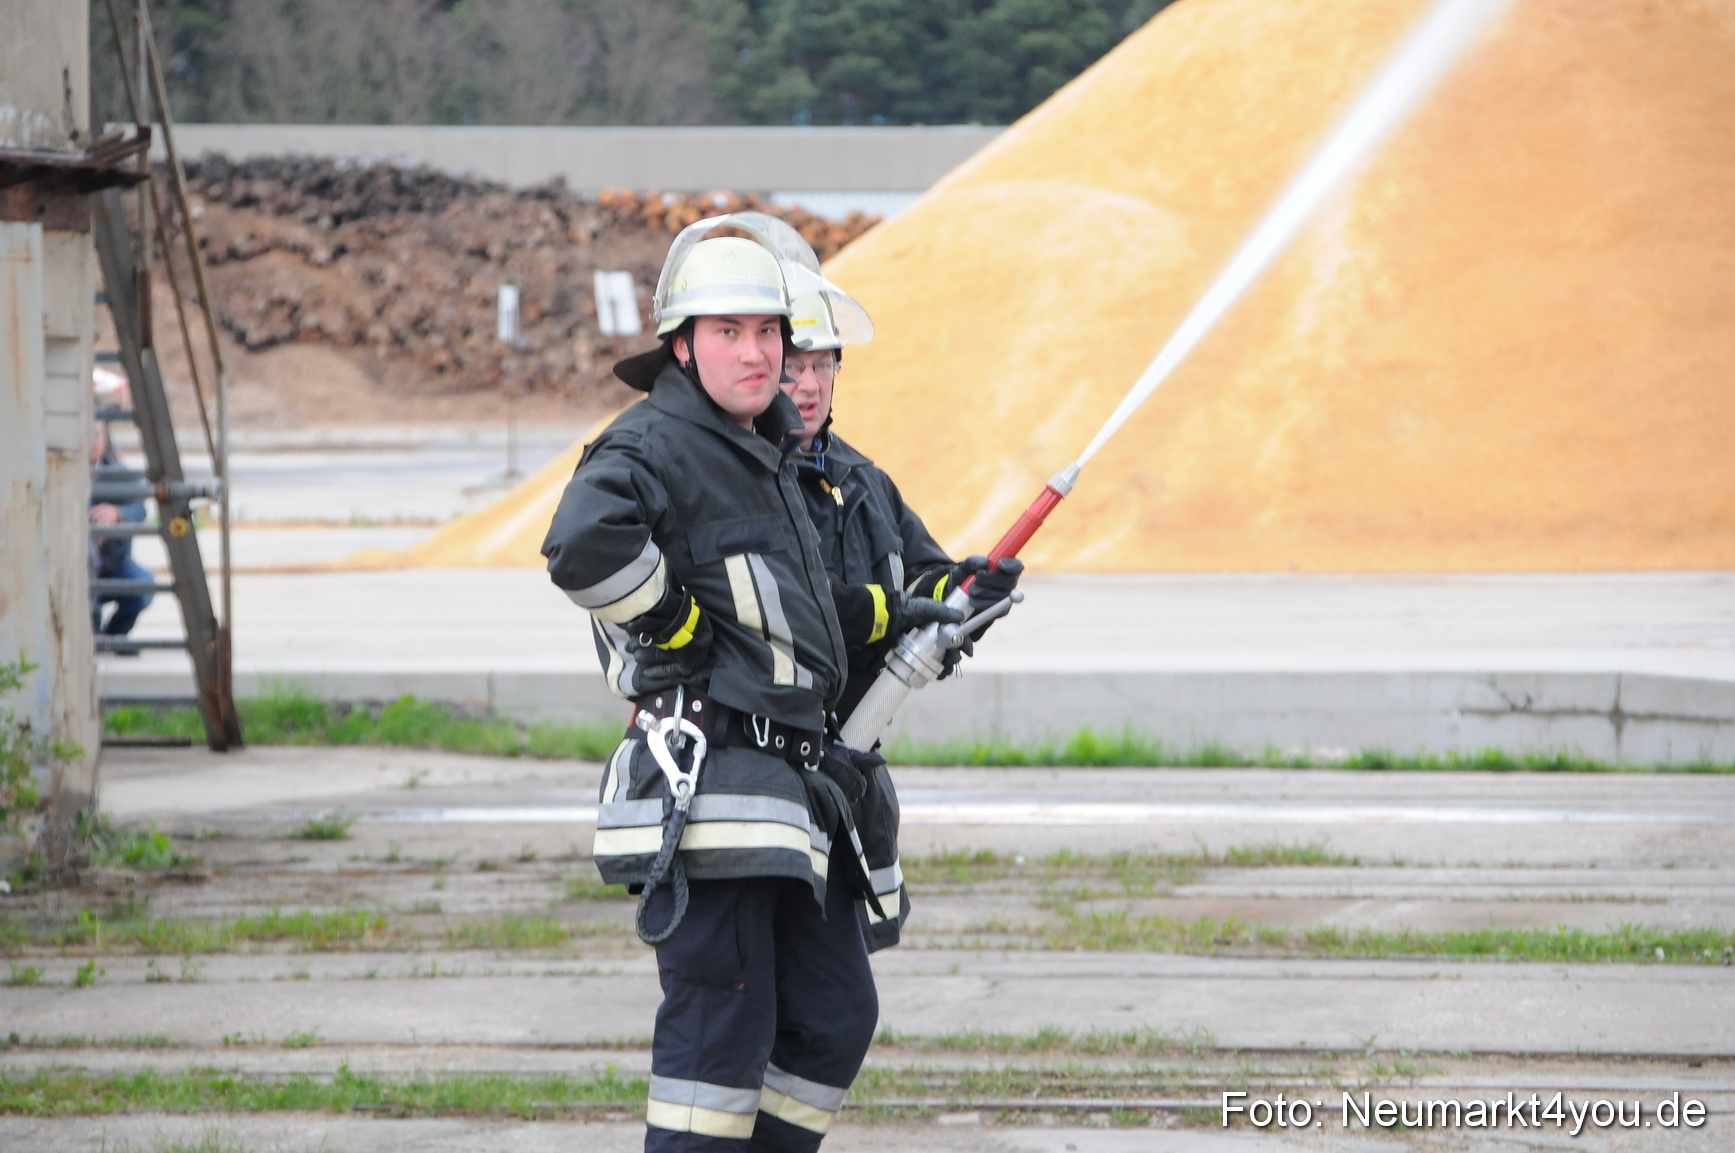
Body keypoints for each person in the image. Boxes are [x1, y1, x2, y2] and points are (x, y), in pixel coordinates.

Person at [542, 229, 878, 1151]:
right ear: (682, 346)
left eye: (770, 331)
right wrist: (673, 626)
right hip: (716, 795)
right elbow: (581, 542)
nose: (760, 352)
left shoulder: (762, 448)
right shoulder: (658, 439)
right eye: (729, 330)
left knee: (830, 1016)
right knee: (713, 1061)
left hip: (786, 795)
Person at [778, 286, 1023, 950]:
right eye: (791, 367)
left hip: (852, 776)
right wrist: (886, 611)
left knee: (840, 1004)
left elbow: (921, 581)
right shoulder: (747, 482)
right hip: (769, 771)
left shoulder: (862, 481)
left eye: (821, 366)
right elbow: (796, 605)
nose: (807, 386)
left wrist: (972, 590)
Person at [89, 419, 153, 651]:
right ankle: (93, 640)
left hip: (111, 566)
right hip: (78, 570)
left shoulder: (116, 473)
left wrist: (118, 513)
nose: (93, 441)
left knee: (142, 585)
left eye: (98, 434)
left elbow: (140, 509)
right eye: (88, 434)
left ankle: (114, 637)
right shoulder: (63, 476)